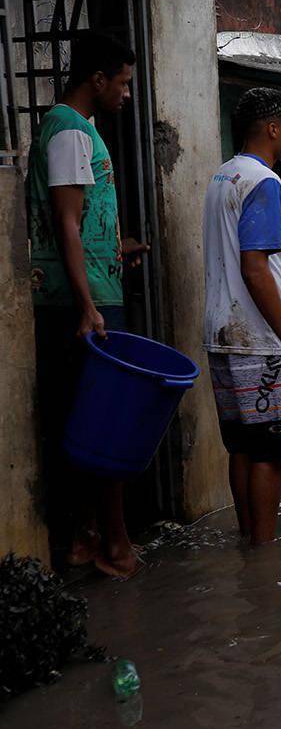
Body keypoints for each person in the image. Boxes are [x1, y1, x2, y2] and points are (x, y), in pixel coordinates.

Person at [26, 32, 150, 577]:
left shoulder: (78, 133)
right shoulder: (71, 134)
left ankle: (87, 537)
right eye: (122, 83)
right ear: (97, 80)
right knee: (105, 424)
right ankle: (112, 546)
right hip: (84, 305)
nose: (126, 94)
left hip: (92, 292)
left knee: (88, 419)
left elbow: (79, 224)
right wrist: (87, 307)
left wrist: (116, 248)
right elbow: (66, 223)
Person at [202, 87, 281, 545]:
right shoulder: (264, 183)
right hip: (257, 339)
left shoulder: (222, 178)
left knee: (243, 446)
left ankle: (250, 547)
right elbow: (256, 267)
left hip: (221, 333)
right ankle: (265, 560)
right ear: (271, 129)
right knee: (269, 449)